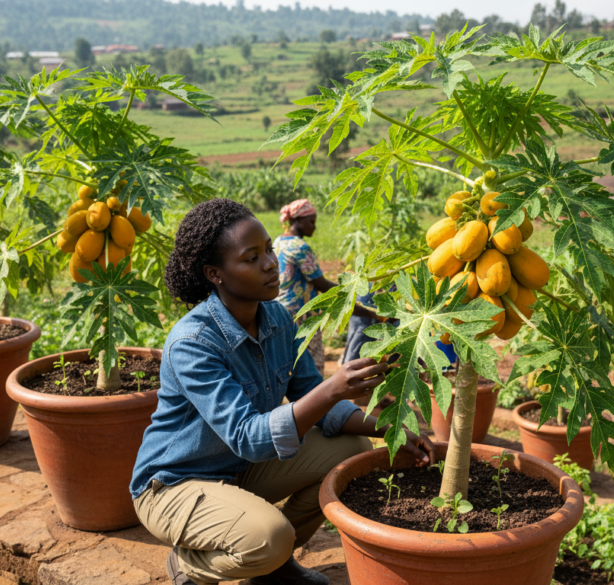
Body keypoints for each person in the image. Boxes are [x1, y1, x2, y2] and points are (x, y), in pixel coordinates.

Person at [131, 199, 435, 585]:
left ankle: (273, 566)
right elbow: (248, 436)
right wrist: (332, 390)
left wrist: (390, 430)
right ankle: (191, 563)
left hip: (239, 469)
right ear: (215, 274)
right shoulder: (193, 342)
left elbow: (313, 398)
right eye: (252, 258)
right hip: (175, 484)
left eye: (269, 250)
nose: (270, 264)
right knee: (268, 537)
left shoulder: (276, 317)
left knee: (352, 451)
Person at [274, 199, 376, 374]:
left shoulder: (278, 242)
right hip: (302, 316)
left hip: (279, 311)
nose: (314, 227)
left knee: (288, 366)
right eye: (311, 222)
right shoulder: (300, 248)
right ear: (297, 221)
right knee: (312, 367)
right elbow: (322, 284)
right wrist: (364, 309)